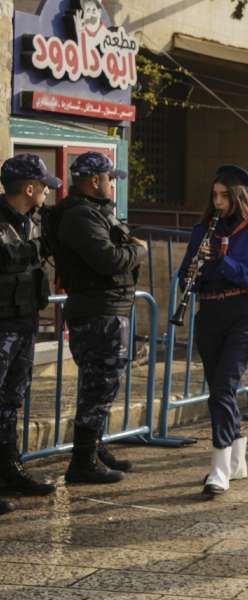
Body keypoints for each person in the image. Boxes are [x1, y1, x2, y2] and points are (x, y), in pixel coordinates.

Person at [177, 165, 248, 497]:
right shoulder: (202, 229)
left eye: (224, 196)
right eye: (214, 195)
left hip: (239, 314)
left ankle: (219, 469)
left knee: (221, 391)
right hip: (209, 313)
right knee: (222, 391)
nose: (217, 202)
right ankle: (238, 456)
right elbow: (181, 277)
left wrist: (223, 261)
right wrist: (194, 270)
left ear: (238, 197)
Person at [52, 152, 145, 485]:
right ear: (95, 181)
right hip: (97, 311)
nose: (112, 183)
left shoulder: (93, 213)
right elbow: (108, 260)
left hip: (108, 308)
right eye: (109, 178)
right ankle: (82, 461)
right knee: (99, 386)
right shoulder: (80, 217)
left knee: (104, 385)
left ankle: (95, 449)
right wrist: (139, 250)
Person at [0, 156, 61, 512]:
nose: (45, 193)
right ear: (28, 188)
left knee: (10, 403)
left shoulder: (32, 222)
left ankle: (9, 468)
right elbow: (6, 257)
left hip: (23, 322)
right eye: (42, 186)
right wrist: (41, 246)